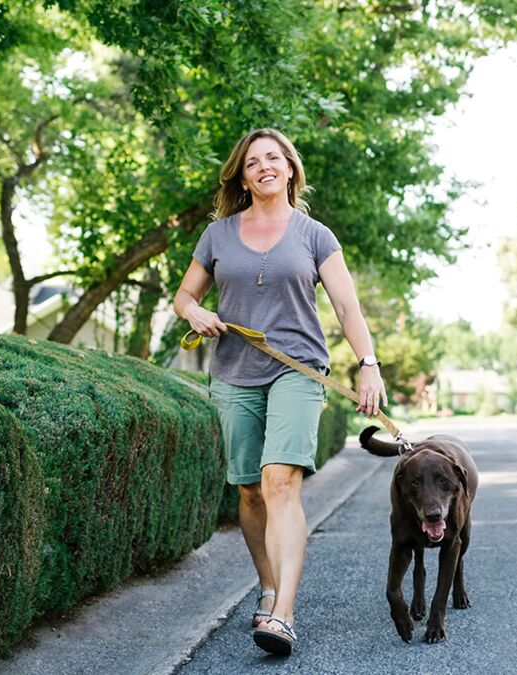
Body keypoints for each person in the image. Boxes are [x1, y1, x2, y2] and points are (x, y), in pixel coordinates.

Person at [173, 128, 387, 656]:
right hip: (233, 371)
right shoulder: (219, 235)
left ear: (290, 168)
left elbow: (347, 308)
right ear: (242, 177)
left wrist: (369, 365)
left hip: (298, 369)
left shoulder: (315, 235)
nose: (264, 167)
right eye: (252, 163)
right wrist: (196, 312)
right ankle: (268, 587)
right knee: (249, 488)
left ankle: (283, 615)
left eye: (273, 158)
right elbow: (185, 295)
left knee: (279, 482)